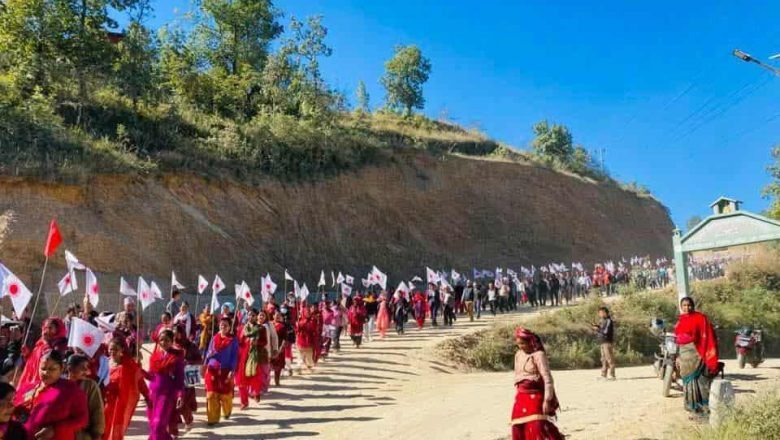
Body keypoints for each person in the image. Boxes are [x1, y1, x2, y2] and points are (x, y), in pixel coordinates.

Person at [15, 350, 89, 440]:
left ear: (62, 369)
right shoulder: (27, 387)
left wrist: (55, 429)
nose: (46, 373)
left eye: (52, 369)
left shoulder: (71, 390)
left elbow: (82, 419)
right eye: (43, 368)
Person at [511, 328, 564, 440]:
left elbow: (547, 379)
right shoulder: (518, 355)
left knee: (537, 426)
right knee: (517, 427)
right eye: (518, 344)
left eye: (523, 343)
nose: (520, 346)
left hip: (536, 396)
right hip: (521, 396)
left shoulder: (539, 355)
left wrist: (547, 400)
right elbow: (518, 375)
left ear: (530, 342)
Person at [674, 297, 719, 416]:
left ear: (693, 306)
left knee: (700, 382)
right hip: (684, 356)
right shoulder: (680, 320)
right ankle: (693, 409)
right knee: (687, 382)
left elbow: (707, 335)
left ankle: (704, 410)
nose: (686, 308)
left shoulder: (701, 318)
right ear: (681, 306)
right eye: (684, 305)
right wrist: (678, 356)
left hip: (698, 353)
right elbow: (678, 340)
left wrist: (704, 352)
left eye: (689, 305)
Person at [103, 337, 149, 440]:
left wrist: (147, 396)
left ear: (122, 350)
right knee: (104, 426)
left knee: (117, 427)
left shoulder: (129, 366)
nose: (112, 351)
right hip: (106, 401)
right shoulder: (104, 363)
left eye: (115, 349)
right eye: (110, 349)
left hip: (121, 402)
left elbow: (140, 381)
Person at [15, 317, 68, 399]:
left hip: (46, 380)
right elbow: (33, 362)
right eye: (45, 327)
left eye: (50, 328)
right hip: (31, 378)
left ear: (57, 329)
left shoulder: (60, 344)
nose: (47, 330)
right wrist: (27, 354)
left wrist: (46, 343)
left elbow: (53, 359)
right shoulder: (40, 343)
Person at [147, 329, 185, 440]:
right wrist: (139, 370)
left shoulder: (176, 358)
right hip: (152, 395)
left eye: (167, 340)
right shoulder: (154, 356)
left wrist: (180, 395)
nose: (163, 342)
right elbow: (150, 375)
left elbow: (180, 379)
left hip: (167, 395)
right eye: (161, 340)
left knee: (158, 425)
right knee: (154, 426)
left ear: (172, 341)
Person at [204, 318, 238, 426]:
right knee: (211, 394)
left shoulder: (233, 340)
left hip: (225, 370)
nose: (223, 326)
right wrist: (205, 364)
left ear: (229, 327)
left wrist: (232, 370)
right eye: (221, 325)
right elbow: (208, 352)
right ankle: (212, 418)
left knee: (225, 395)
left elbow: (234, 356)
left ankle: (227, 411)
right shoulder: (214, 338)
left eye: (225, 325)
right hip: (212, 369)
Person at [67, 355, 105, 440]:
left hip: (83, 435)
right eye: (82, 368)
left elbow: (97, 410)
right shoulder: (61, 384)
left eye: (86, 368)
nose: (86, 371)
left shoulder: (90, 385)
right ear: (70, 369)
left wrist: (97, 434)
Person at [172, 324, 201, 433]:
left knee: (183, 403)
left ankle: (189, 420)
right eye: (173, 332)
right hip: (173, 378)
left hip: (186, 379)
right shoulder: (170, 345)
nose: (175, 334)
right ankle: (173, 428)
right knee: (172, 403)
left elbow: (199, 360)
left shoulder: (190, 346)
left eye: (177, 332)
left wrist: (188, 362)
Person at [236, 309, 262, 410]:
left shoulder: (260, 328)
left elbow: (264, 342)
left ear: (256, 316)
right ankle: (244, 402)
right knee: (240, 380)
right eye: (249, 315)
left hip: (254, 356)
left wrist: (257, 343)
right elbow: (238, 341)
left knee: (254, 378)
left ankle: (256, 392)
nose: (250, 317)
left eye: (253, 315)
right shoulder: (242, 328)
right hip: (242, 356)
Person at [592, 307, 616, 380]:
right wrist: (597, 326)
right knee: (603, 359)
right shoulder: (601, 321)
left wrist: (598, 329)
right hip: (602, 342)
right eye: (599, 313)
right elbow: (602, 329)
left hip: (607, 342)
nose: (600, 314)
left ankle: (612, 375)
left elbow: (606, 332)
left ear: (606, 313)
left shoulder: (609, 321)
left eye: (602, 312)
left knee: (609, 359)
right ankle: (603, 375)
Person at [295, 307, 318, 373]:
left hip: (309, 341)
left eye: (309, 312)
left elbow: (314, 328)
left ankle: (309, 367)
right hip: (301, 340)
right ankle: (298, 368)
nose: (308, 314)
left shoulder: (313, 320)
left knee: (309, 356)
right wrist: (298, 325)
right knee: (300, 355)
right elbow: (297, 331)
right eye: (306, 312)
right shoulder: (299, 320)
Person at [270, 312, 288, 387]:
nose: (277, 316)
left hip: (278, 348)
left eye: (279, 315)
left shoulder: (282, 327)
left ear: (281, 317)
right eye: (276, 315)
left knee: (278, 366)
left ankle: (277, 380)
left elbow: (284, 338)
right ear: (273, 316)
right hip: (269, 348)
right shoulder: (269, 324)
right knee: (268, 365)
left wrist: (281, 348)